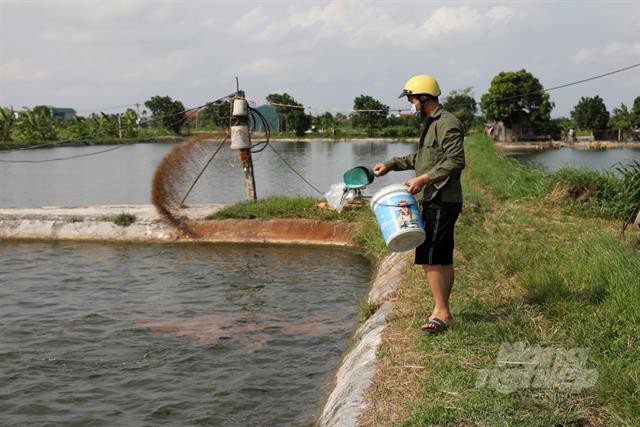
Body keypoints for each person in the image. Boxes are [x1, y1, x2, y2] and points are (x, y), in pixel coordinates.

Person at [373, 75, 465, 334]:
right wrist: (391, 165)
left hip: (442, 198)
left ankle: (442, 313)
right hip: (435, 198)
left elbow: (455, 160)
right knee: (441, 256)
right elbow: (422, 157)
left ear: (425, 98)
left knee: (432, 256)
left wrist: (424, 178)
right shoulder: (430, 124)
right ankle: (442, 308)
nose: (411, 104)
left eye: (412, 99)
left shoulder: (447, 124)